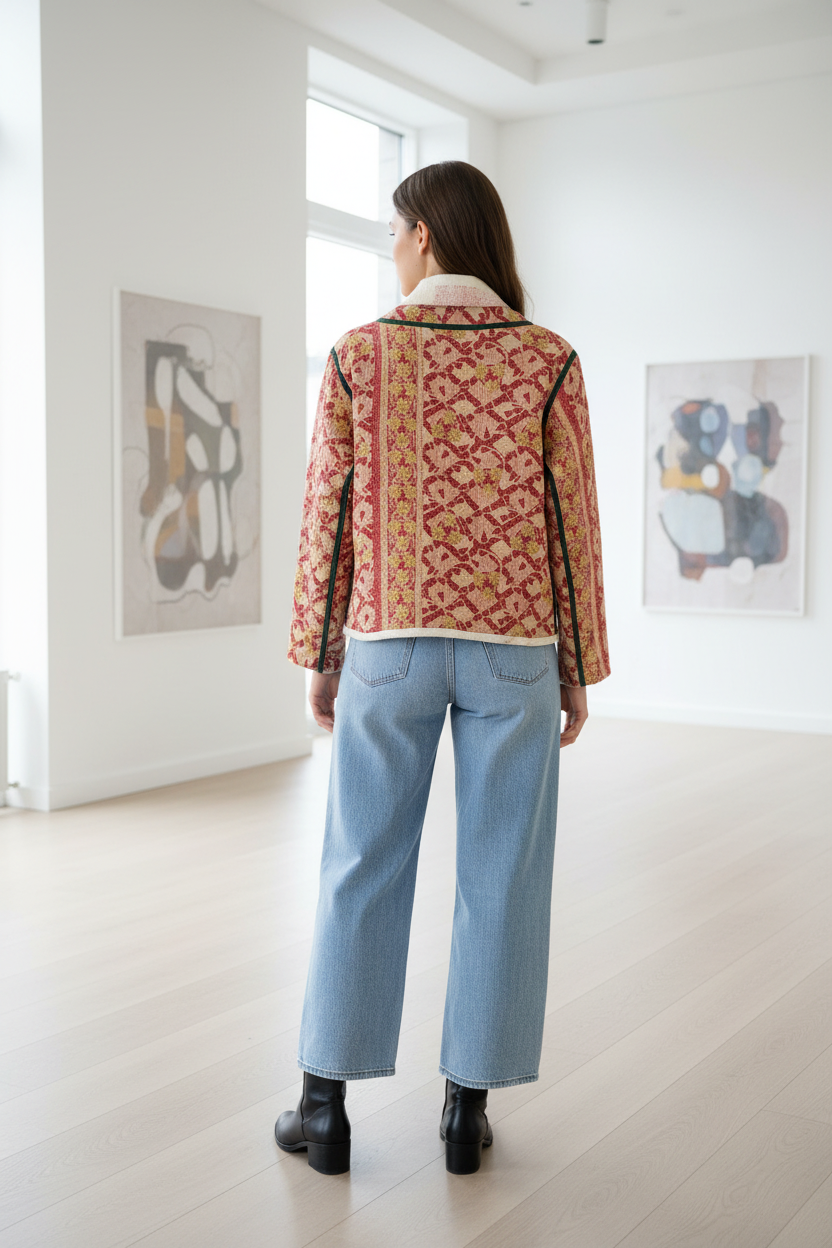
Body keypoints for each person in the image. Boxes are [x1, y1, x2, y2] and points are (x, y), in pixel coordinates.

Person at [276, 161, 610, 1176]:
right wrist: (578, 664)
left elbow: (329, 515)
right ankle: (467, 1111)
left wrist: (321, 651)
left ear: (424, 233)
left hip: (388, 646)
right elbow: (573, 527)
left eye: (393, 230)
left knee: (360, 864)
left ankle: (324, 1108)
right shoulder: (547, 359)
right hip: (516, 651)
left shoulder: (358, 355)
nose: (391, 247)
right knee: (503, 875)